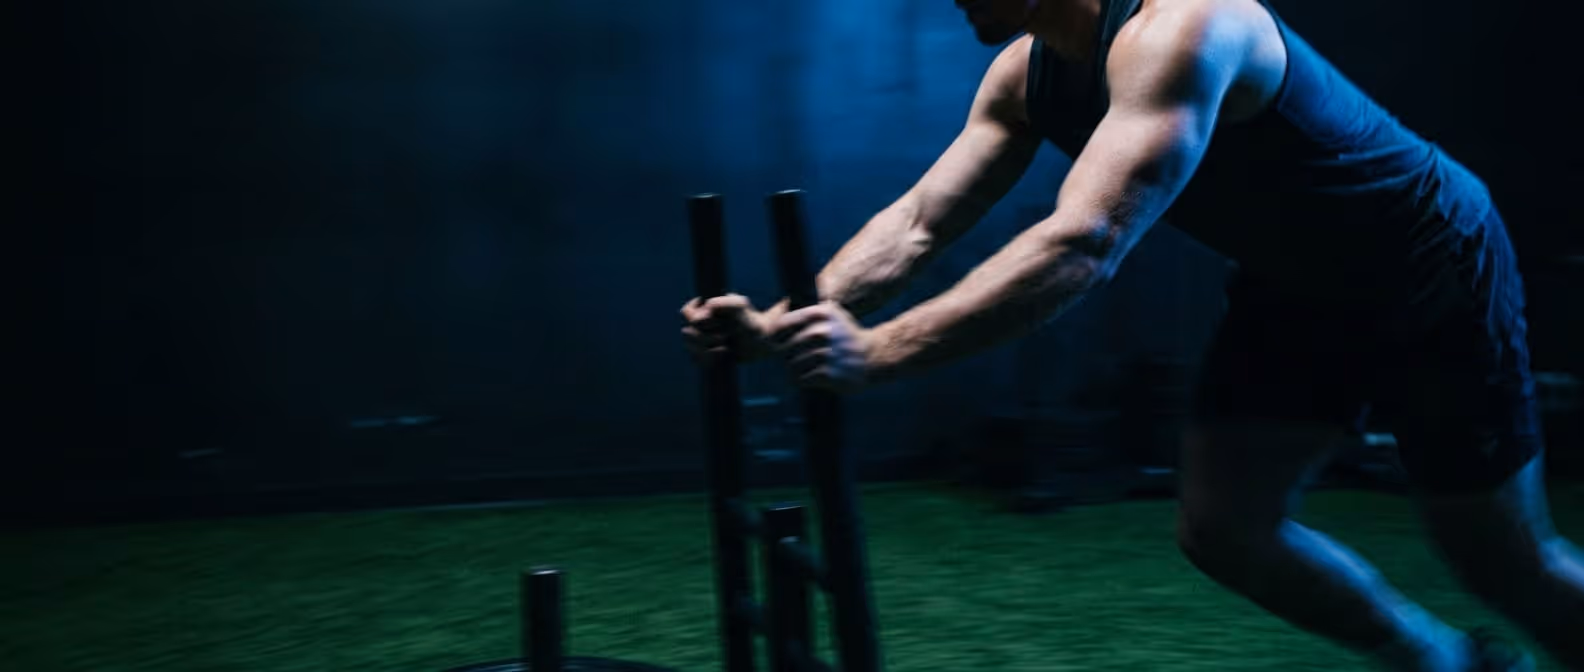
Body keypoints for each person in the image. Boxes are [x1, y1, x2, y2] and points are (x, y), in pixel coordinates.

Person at [679, 0, 1584, 668]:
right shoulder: (1025, 76)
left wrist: (876, 353)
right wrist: (789, 322)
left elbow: (1085, 240)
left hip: (1429, 265)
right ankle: (1448, 663)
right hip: (1301, 290)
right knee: (1226, 529)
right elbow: (919, 221)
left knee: (1503, 564)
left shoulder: (1188, 26)